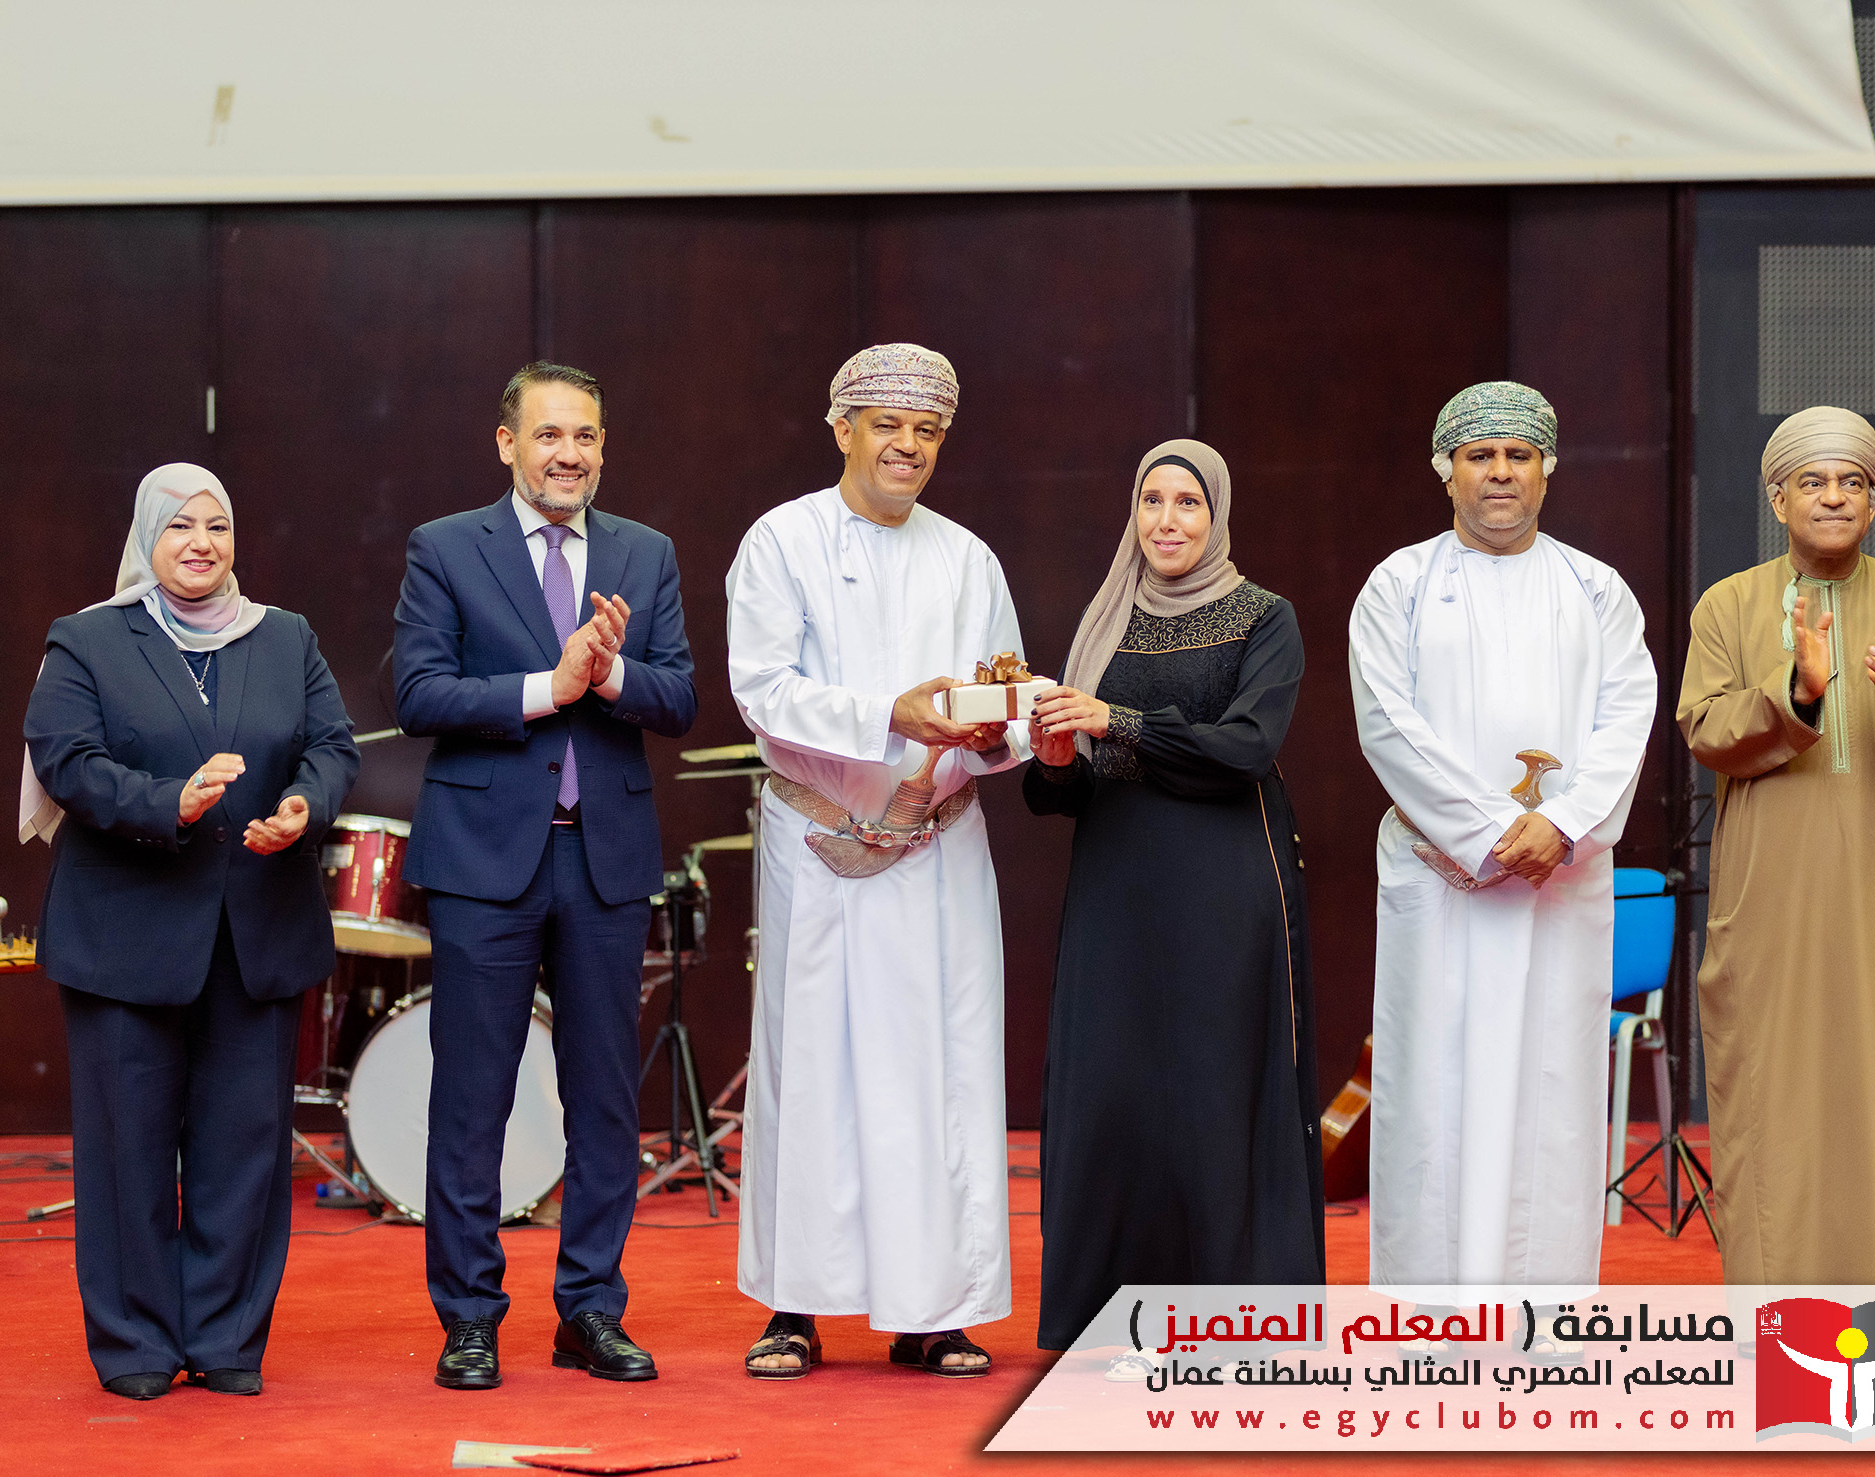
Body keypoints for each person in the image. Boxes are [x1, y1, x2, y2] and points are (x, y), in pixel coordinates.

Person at [21, 463, 359, 1400]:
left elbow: (333, 746)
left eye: (217, 524)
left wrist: (305, 805)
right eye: (179, 525)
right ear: (147, 537)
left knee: (244, 1148)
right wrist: (166, 800)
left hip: (259, 932)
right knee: (126, 1151)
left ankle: (226, 1338)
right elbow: (65, 759)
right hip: (124, 937)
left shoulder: (286, 636)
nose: (201, 542)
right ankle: (134, 1343)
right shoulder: (87, 639)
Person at [394, 361, 697, 1389]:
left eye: (586, 436)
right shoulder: (445, 546)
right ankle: (469, 1318)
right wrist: (546, 686)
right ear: (507, 443)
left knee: (604, 1099)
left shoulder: (645, 552)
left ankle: (591, 1310)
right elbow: (418, 691)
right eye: (549, 435)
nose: (569, 454)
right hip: (484, 861)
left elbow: (679, 698)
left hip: (604, 861)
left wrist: (610, 676)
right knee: (471, 1099)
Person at [726, 343, 1022, 1379]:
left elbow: (1003, 698)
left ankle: (935, 1309)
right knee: (811, 1067)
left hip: (939, 845)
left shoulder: (969, 558)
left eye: (926, 430)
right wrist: (885, 714)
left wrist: (997, 731)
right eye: (887, 424)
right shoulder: (782, 540)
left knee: (942, 1070)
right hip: (822, 841)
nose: (907, 445)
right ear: (841, 426)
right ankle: (794, 1307)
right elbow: (762, 689)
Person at [1348, 381, 1657, 1289]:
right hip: (1437, 879)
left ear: (1547, 469)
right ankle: (1429, 1317)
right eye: (1478, 455)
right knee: (1432, 1089)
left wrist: (1559, 825)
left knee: (1552, 1091)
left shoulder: (1595, 589)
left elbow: (1625, 717)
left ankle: (1542, 1315)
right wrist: (1487, 832)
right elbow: (1386, 721)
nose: (1498, 472)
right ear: (1443, 470)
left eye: (1517, 455)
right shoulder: (1399, 584)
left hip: (1558, 885)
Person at [1024, 438, 1322, 1356]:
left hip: (1223, 884)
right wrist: (1056, 757)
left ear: (1216, 513)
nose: (1166, 520)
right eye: (1150, 500)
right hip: (1115, 883)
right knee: (1113, 1089)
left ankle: (1238, 1314)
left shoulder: (1263, 616)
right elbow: (1066, 791)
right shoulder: (1104, 619)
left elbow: (1245, 748)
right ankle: (1105, 1315)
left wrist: (1113, 719)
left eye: (1187, 502)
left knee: (1213, 1086)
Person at [1678, 406, 1875, 1284]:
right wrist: (1795, 692)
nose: (1833, 497)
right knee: (1771, 1106)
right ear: (1777, 499)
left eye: (1851, 482)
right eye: (1812, 481)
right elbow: (1705, 731)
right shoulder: (1728, 605)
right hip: (1768, 902)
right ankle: (1773, 1331)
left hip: (1874, 898)